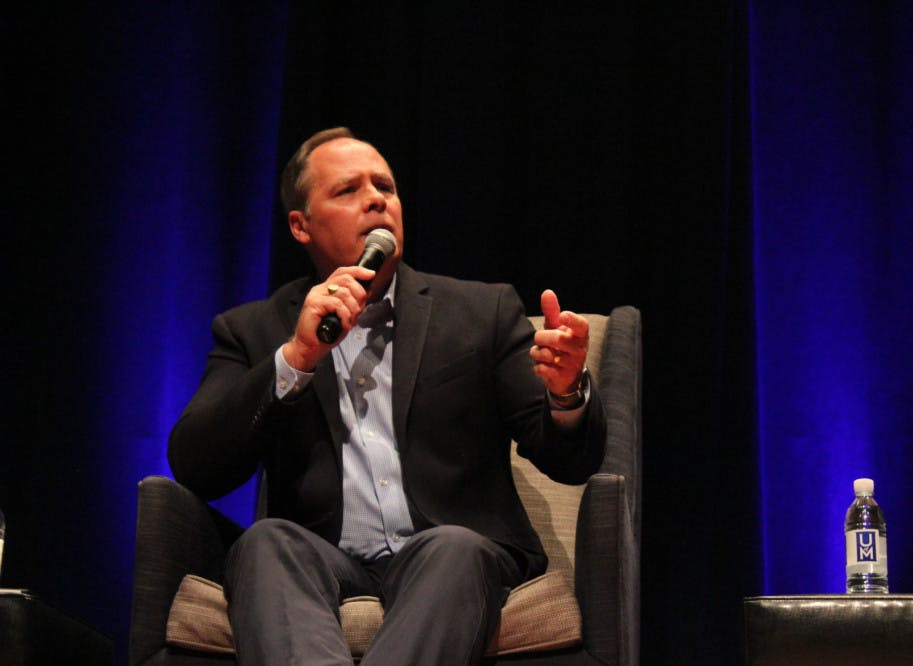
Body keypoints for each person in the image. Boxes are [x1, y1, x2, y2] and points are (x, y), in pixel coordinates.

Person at [168, 127, 606, 665]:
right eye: (348, 190)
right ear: (301, 226)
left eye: (386, 186)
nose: (378, 198)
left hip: (450, 556)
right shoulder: (253, 331)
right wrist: (295, 360)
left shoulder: (478, 312)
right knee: (266, 543)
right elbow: (196, 464)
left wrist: (565, 394)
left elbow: (570, 458)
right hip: (325, 559)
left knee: (453, 546)